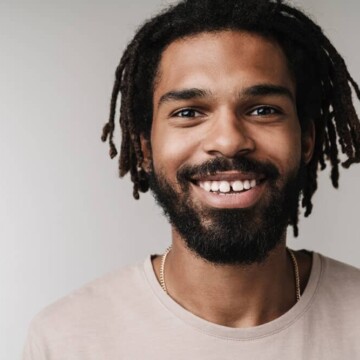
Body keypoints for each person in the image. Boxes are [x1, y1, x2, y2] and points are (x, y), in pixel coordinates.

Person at [23, 0, 360, 358]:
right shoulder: (65, 340)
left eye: (263, 110)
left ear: (306, 140)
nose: (228, 140)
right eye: (188, 112)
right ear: (145, 149)